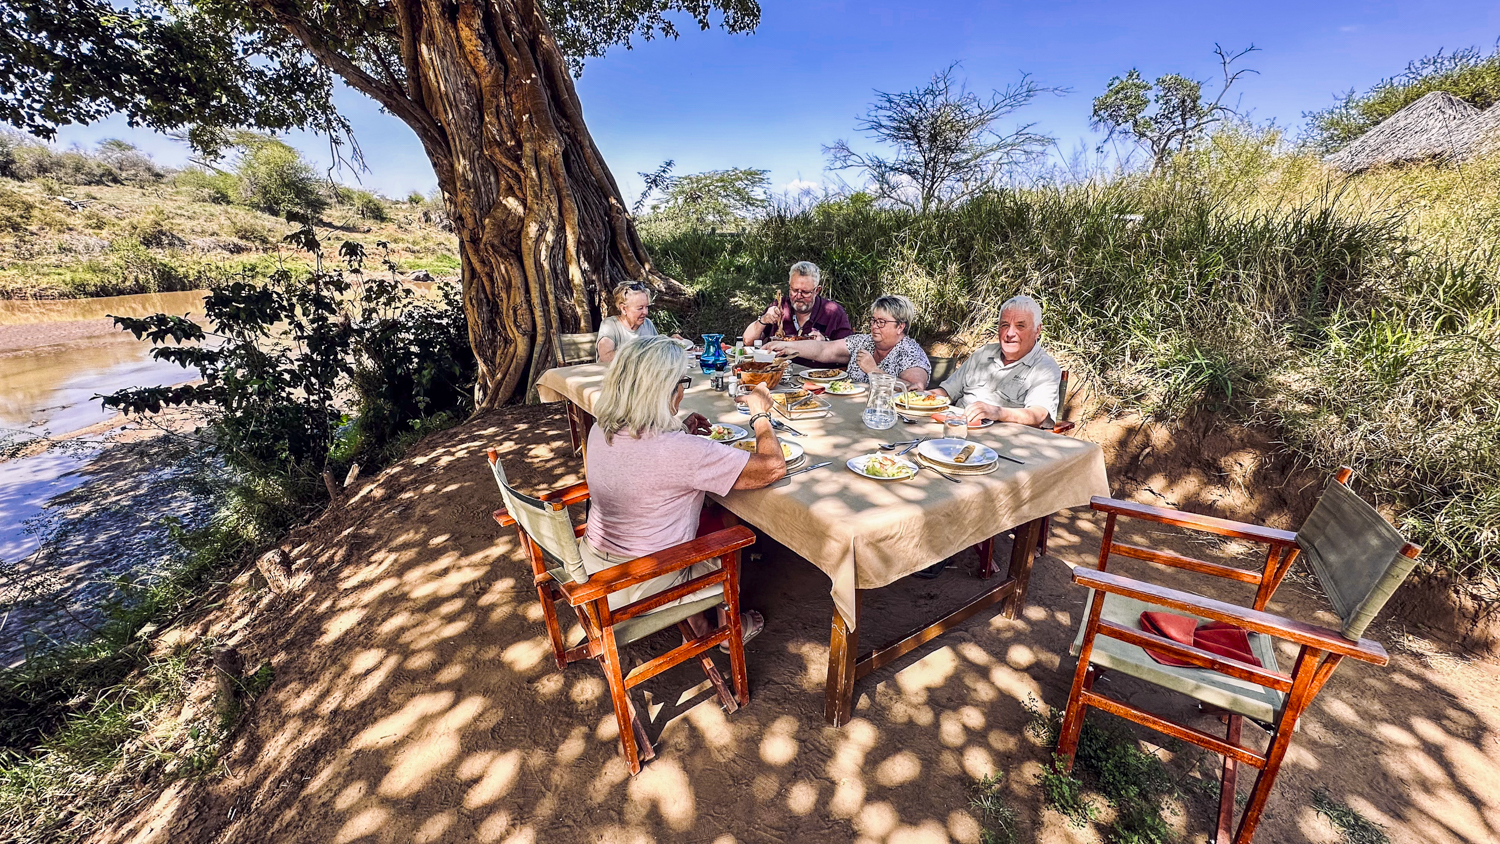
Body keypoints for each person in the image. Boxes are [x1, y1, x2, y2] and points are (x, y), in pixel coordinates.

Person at [583, 336, 785, 643]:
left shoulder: (601, 427)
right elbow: (772, 467)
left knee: (707, 514)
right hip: (644, 581)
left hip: (593, 566)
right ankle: (728, 631)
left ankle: (700, 626)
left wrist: (680, 428)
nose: (682, 390)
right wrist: (760, 414)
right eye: (682, 382)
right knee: (730, 525)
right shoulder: (679, 451)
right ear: (665, 390)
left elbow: (643, 462)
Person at [927, 294, 1062, 428]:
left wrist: (996, 412)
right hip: (955, 427)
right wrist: (918, 397)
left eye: (1020, 326)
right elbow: (947, 392)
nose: (1010, 333)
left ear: (1037, 330)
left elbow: (1038, 414)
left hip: (1003, 440)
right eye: (1005, 325)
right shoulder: (983, 354)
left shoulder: (1044, 367)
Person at [764, 294, 931, 390]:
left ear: (900, 327)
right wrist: (786, 346)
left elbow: (914, 389)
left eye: (881, 322)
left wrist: (874, 371)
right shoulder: (864, 341)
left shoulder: (910, 352)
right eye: (873, 321)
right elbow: (823, 350)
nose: (874, 327)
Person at [741, 262, 853, 366]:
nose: (798, 296)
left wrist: (826, 343)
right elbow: (747, 341)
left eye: (805, 292)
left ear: (817, 290)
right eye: (794, 290)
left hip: (819, 379)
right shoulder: (780, 306)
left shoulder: (833, 312)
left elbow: (849, 353)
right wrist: (763, 320)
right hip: (780, 375)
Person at [597, 281, 666, 364]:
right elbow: (606, 357)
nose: (645, 312)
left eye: (646, 307)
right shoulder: (610, 325)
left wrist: (671, 342)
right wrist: (640, 351)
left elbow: (658, 350)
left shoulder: (647, 324)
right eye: (640, 308)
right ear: (624, 309)